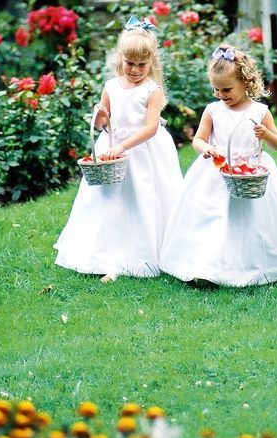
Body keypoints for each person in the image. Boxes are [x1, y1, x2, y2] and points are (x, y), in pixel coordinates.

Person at [160, 44, 277, 286]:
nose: (221, 94)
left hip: (251, 173)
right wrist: (205, 148)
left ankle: (257, 265)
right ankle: (207, 269)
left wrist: (265, 134)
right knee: (214, 219)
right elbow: (198, 139)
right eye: (216, 89)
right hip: (217, 171)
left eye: (227, 89)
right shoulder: (212, 111)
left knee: (250, 222)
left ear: (245, 82)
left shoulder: (260, 111)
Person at [54, 16, 183, 282]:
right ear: (120, 59)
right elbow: (105, 123)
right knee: (110, 204)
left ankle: (145, 255)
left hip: (143, 152)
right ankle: (107, 256)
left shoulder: (152, 90)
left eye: (142, 65)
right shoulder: (111, 86)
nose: (135, 70)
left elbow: (150, 128)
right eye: (130, 63)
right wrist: (100, 115)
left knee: (142, 201)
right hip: (112, 150)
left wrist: (123, 146)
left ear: (151, 63)